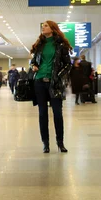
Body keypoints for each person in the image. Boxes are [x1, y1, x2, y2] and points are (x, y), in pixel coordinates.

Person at [31, 20, 72, 154]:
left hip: (55, 83)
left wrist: (58, 76)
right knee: (42, 114)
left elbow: (67, 65)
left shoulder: (60, 45)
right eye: (42, 26)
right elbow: (33, 61)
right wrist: (33, 66)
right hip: (39, 81)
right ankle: (46, 144)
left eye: (46, 26)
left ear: (53, 28)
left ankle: (60, 143)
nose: (43, 28)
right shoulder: (40, 45)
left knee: (57, 114)